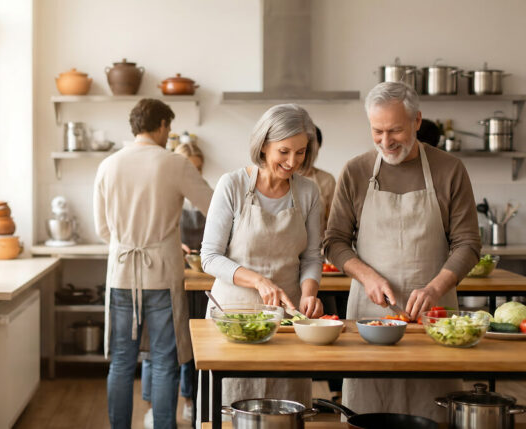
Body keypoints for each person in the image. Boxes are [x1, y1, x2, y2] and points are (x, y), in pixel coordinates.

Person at [323, 81, 481, 421]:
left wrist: (436, 288)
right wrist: (367, 276)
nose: (385, 141)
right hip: (370, 314)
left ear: (417, 121)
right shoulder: (356, 171)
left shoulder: (449, 170)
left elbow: (468, 244)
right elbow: (334, 241)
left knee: (432, 407)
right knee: (368, 410)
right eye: (377, 131)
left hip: (435, 318)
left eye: (394, 130)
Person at [94, 98, 212, 429]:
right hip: (161, 273)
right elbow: (214, 208)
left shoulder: (108, 165)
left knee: (120, 362)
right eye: (168, 127)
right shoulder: (173, 163)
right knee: (163, 362)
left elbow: (102, 229)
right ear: (161, 125)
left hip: (120, 273)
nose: (168, 134)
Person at [200, 103, 324, 409]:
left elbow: (311, 257)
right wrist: (259, 281)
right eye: (284, 151)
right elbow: (210, 257)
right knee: (232, 409)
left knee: (285, 408)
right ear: (264, 144)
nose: (293, 161)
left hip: (286, 318)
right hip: (233, 317)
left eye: (301, 152)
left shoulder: (308, 192)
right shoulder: (233, 185)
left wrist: (310, 293)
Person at [140, 142, 205, 428]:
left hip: (198, 277)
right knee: (158, 347)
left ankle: (190, 401)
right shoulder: (159, 194)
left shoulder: (205, 194)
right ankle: (154, 406)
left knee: (191, 344)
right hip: (165, 274)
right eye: (187, 166)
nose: (191, 172)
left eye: (196, 168)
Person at [300, 126, 336, 236]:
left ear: (318, 148)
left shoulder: (327, 180)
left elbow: (334, 225)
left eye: (311, 149)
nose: (307, 154)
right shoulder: (280, 178)